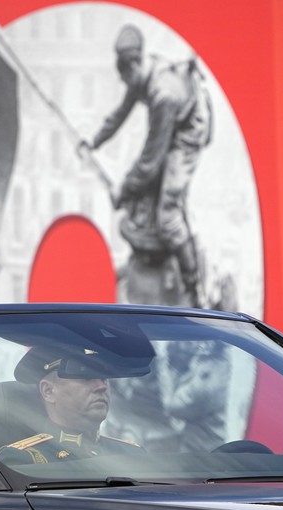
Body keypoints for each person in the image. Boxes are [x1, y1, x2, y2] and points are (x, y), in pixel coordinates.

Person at [79, 24, 212, 307]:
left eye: (127, 79)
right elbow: (121, 113)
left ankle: (195, 288)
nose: (128, 88)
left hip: (188, 132)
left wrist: (124, 191)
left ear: (136, 64)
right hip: (173, 122)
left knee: (167, 217)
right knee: (151, 192)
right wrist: (94, 141)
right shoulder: (141, 73)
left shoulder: (163, 95)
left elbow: (150, 162)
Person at [0, 348, 142, 464]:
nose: (101, 386)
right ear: (48, 391)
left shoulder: (133, 454)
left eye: (104, 378)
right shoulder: (25, 460)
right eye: (86, 378)